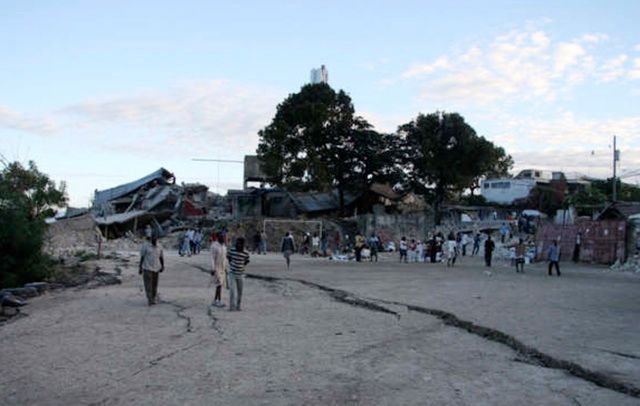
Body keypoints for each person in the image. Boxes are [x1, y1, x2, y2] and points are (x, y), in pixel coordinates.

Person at [139, 234, 164, 306]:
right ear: (150, 239)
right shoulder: (145, 246)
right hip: (147, 268)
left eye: (155, 239)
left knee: (154, 284)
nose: (154, 240)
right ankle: (150, 299)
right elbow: (142, 257)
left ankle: (153, 297)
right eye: (153, 239)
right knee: (148, 285)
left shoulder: (159, 246)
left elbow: (161, 257)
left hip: (156, 268)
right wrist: (140, 267)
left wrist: (162, 266)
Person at [227, 237, 250, 311]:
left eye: (240, 244)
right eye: (237, 243)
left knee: (240, 291)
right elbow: (228, 257)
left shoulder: (245, 252)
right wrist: (231, 264)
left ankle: (238, 306)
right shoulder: (232, 250)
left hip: (240, 274)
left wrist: (242, 265)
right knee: (232, 291)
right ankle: (231, 306)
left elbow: (247, 260)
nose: (238, 245)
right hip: (232, 273)